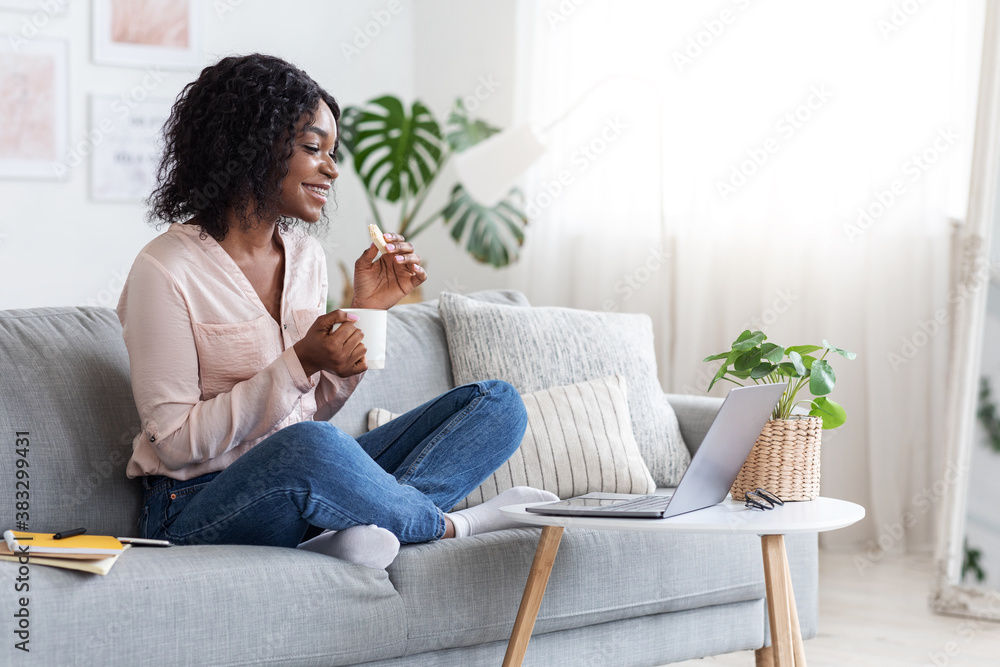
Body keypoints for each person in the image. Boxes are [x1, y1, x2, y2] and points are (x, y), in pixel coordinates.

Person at [116, 53, 556, 569]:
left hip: (299, 479)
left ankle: (345, 530)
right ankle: (450, 523)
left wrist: (367, 310)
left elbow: (312, 407)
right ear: (250, 148)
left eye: (333, 151)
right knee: (312, 448)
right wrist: (297, 363)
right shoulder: (164, 270)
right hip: (193, 507)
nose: (332, 168)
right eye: (312, 148)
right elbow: (171, 443)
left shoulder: (306, 257)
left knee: (497, 405)